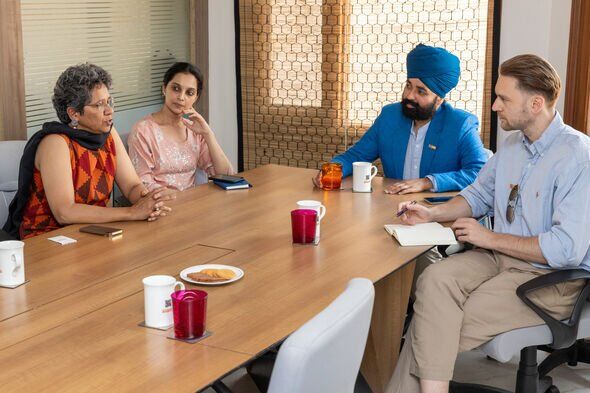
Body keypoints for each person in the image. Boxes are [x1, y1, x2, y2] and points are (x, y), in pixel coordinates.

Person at [387, 54, 590, 393]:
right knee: (434, 279)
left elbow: (565, 249)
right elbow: (478, 195)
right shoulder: (511, 147)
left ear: (536, 103)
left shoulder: (579, 157)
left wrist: (488, 237)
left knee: (435, 323)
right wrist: (432, 213)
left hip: (549, 277)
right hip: (498, 259)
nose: (494, 106)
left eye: (503, 98)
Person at [3, 63, 174, 240]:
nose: (110, 110)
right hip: (47, 238)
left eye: (109, 101)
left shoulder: (108, 134)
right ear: (74, 114)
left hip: (92, 231)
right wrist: (131, 212)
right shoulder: (56, 143)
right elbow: (65, 212)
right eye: (100, 105)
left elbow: (131, 186)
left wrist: (149, 200)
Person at [313, 44, 488, 194]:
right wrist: (332, 169)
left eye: (421, 91)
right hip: (392, 206)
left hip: (438, 212)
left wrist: (427, 182)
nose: (409, 96)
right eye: (408, 86)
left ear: (439, 99)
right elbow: (357, 155)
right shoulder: (390, 116)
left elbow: (480, 173)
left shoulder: (460, 124)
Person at [127, 62, 233, 191]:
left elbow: (226, 175)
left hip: (193, 205)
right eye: (176, 88)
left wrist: (208, 134)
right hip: (160, 206)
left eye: (189, 93)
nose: (181, 97)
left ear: (196, 98)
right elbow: (143, 183)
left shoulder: (194, 130)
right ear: (164, 88)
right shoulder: (143, 131)